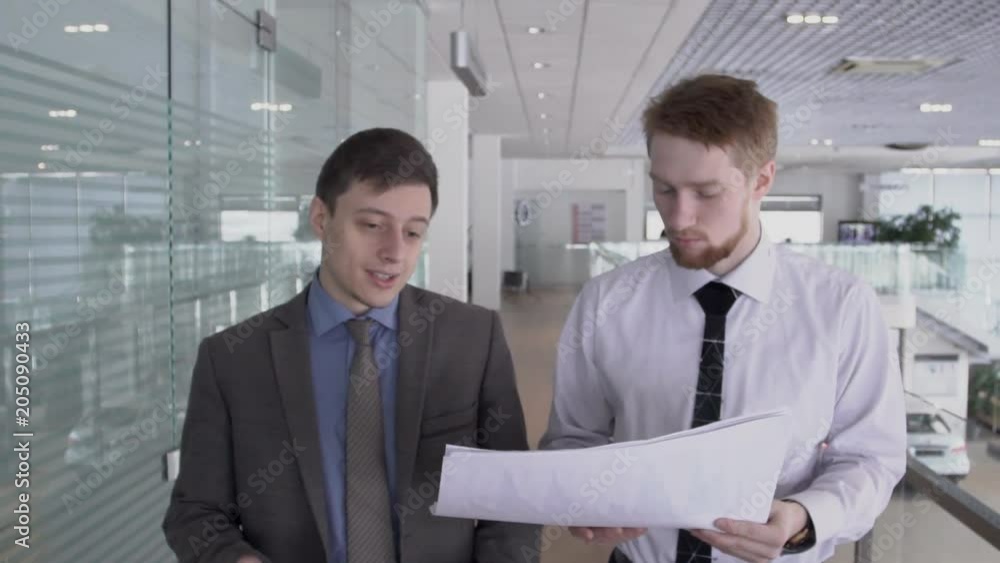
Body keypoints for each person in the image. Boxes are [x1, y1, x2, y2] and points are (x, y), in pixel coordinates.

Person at [538, 74, 906, 563]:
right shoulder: (606, 301)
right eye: (664, 190)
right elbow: (573, 437)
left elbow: (870, 458)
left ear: (762, 180)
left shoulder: (842, 307)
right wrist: (580, 494)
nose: (678, 218)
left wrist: (804, 518)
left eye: (707, 193)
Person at [163, 128, 537, 562]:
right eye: (372, 226)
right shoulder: (233, 358)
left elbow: (513, 502)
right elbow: (196, 513)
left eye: (413, 233)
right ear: (321, 219)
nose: (394, 252)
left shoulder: (472, 337)